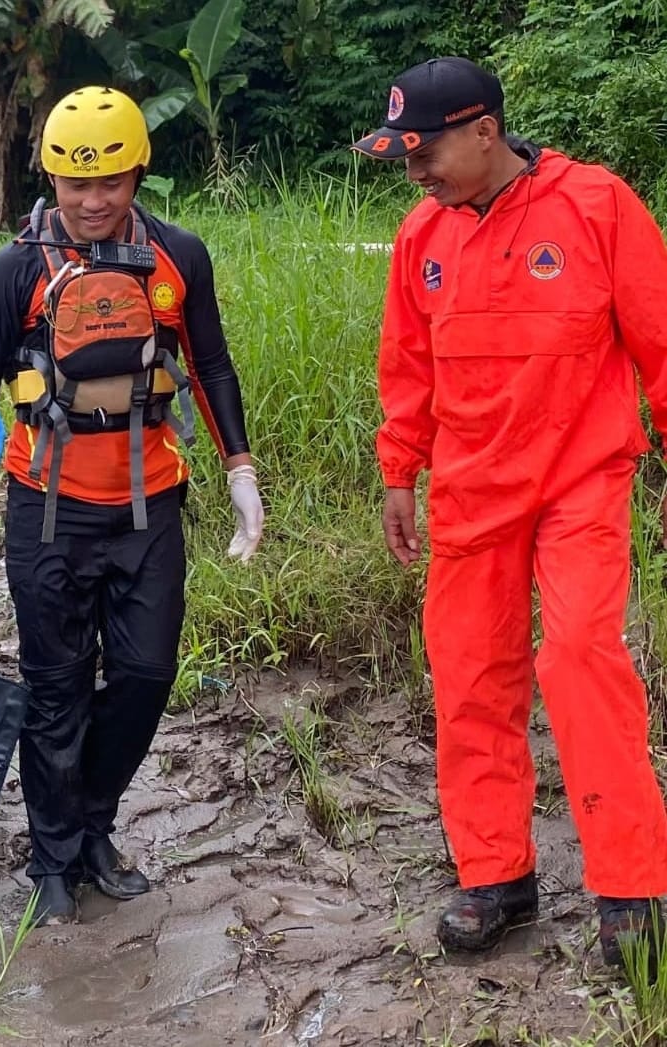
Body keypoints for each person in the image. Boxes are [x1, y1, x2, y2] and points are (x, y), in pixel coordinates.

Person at [0, 86, 262, 926]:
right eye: (75, 184)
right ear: (50, 179)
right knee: (56, 687)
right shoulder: (15, 269)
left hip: (150, 507)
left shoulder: (179, 255)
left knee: (145, 675)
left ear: (138, 173)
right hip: (47, 510)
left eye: (110, 180)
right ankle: (54, 856)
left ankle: (93, 819)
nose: (93, 200)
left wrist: (240, 470)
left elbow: (212, 366)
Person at [355, 56, 667, 967]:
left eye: (425, 151)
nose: (413, 173)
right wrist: (398, 472)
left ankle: (630, 886)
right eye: (402, 155)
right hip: (471, 489)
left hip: (581, 477)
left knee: (580, 658)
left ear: (485, 131)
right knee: (470, 675)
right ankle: (496, 874)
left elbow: (659, 334)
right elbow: (407, 369)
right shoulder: (424, 237)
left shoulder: (597, 208)